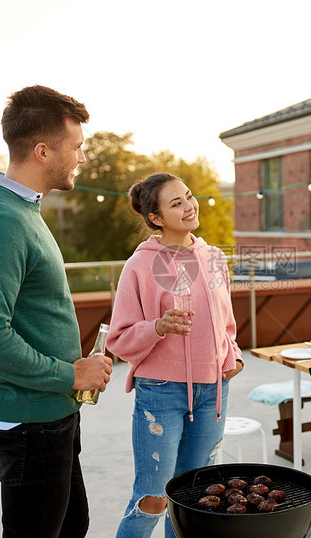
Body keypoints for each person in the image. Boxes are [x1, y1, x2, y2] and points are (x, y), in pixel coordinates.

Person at [0, 85, 113, 537]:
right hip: (29, 424)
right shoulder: (1, 220)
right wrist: (71, 375)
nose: (81, 158)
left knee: (71, 525)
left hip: (47, 415)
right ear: (43, 151)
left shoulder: (22, 210)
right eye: (77, 147)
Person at [107, 172, 243, 537]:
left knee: (194, 499)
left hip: (212, 391)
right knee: (154, 497)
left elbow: (226, 322)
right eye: (176, 203)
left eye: (189, 196)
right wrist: (158, 327)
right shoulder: (139, 265)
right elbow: (118, 339)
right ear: (155, 217)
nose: (189, 206)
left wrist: (234, 357)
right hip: (161, 391)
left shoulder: (213, 257)